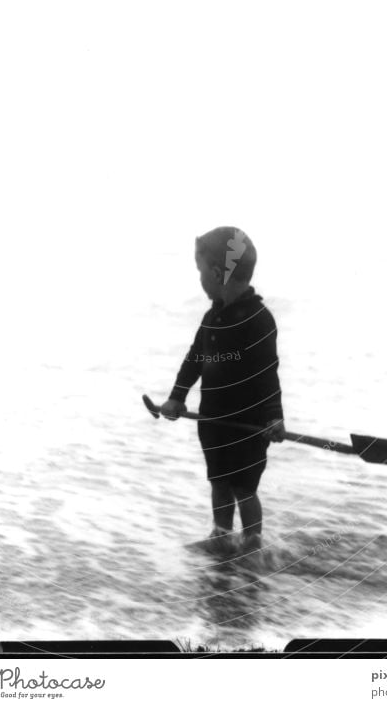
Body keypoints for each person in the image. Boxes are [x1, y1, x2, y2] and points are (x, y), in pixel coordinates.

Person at [161, 227, 285, 555]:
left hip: (249, 424)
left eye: (201, 271)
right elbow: (194, 361)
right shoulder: (211, 318)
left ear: (218, 273)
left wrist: (274, 417)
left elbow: (267, 374)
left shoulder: (259, 319)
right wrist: (177, 396)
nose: (200, 279)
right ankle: (221, 536)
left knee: (244, 487)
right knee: (219, 482)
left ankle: (253, 544)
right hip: (214, 420)